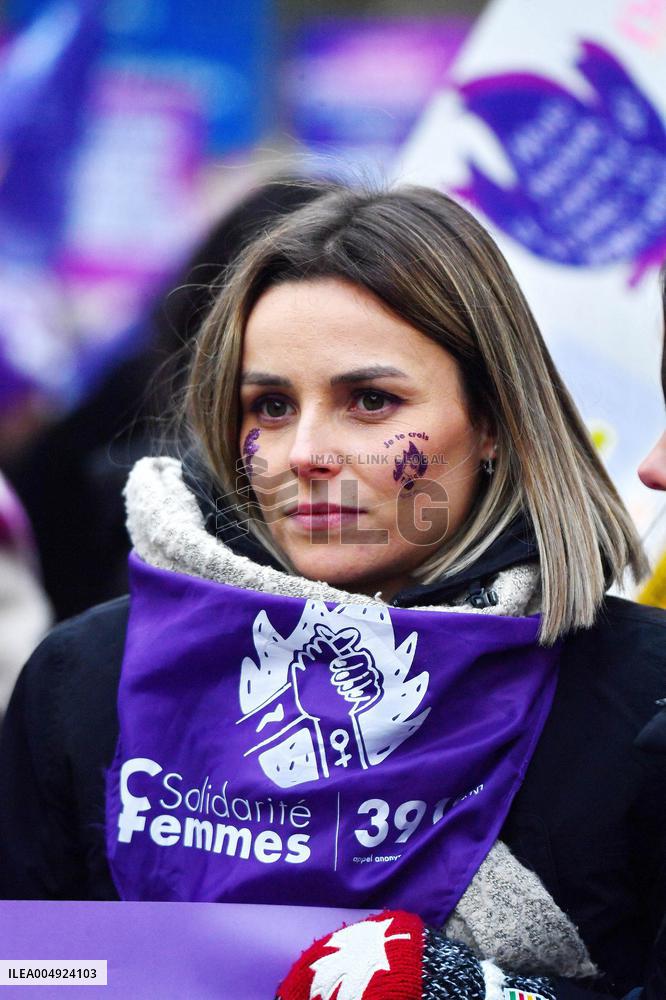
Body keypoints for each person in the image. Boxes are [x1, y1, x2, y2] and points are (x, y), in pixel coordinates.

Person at [0, 185, 664, 1000]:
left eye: (370, 401)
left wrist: (479, 992)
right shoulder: (90, 675)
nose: (305, 451)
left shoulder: (638, 695)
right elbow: (28, 969)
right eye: (270, 405)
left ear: (492, 422)